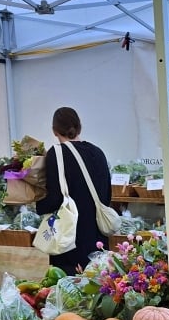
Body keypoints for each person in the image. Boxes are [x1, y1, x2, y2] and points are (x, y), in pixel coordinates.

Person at [35, 106, 112, 275]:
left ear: (54, 131)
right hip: (98, 236)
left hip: (71, 239)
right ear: (79, 127)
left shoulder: (57, 154)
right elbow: (107, 195)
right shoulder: (98, 152)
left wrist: (38, 205)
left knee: (70, 286)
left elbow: (55, 198)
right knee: (99, 283)